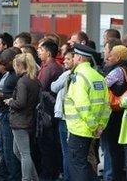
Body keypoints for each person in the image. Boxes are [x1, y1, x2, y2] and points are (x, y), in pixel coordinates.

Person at [64, 43, 111, 181]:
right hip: (93, 130)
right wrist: (100, 126)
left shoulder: (79, 77)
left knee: (77, 165)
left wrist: (94, 126)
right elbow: (106, 105)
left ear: (79, 58)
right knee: (87, 162)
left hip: (79, 129)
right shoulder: (99, 76)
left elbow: (82, 105)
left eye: (75, 56)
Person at [4, 52, 41, 181]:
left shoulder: (22, 82)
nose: (15, 69)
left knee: (24, 154)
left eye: (15, 66)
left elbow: (20, 102)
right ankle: (34, 177)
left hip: (20, 121)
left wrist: (10, 102)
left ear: (20, 66)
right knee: (18, 151)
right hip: (29, 119)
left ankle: (26, 178)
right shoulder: (34, 80)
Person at [0, 48, 21, 181]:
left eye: (5, 62)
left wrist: (0, 95)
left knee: (9, 151)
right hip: (3, 114)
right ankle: (4, 175)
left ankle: (13, 176)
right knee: (3, 148)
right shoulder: (8, 74)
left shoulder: (16, 76)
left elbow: (16, 97)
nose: (2, 65)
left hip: (9, 115)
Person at [101, 45, 127, 181]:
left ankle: (111, 176)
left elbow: (102, 84)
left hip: (114, 113)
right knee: (115, 149)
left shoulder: (117, 71)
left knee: (111, 149)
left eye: (111, 55)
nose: (108, 57)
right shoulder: (126, 69)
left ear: (118, 57)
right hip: (120, 112)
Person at [35, 39, 63, 181]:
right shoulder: (52, 66)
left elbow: (40, 88)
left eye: (41, 49)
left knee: (47, 148)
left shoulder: (49, 68)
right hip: (51, 112)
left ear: (48, 52)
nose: (38, 51)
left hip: (47, 113)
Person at [51, 47, 74, 181]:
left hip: (65, 118)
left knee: (66, 153)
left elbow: (53, 86)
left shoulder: (67, 74)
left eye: (68, 59)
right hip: (73, 119)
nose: (64, 61)